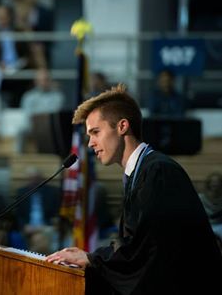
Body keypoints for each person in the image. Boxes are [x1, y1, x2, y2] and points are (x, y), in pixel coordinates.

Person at [45, 84, 222, 295]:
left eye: (95, 132)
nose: (90, 143)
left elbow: (147, 248)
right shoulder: (142, 171)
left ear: (122, 127)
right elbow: (138, 244)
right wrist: (92, 257)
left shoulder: (158, 171)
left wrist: (92, 259)